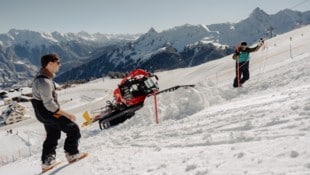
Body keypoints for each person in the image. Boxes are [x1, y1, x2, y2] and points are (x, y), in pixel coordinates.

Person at [31, 54, 85, 171]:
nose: (60, 65)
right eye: (58, 63)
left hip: (42, 113)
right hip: (48, 112)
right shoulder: (44, 82)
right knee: (73, 128)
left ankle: (47, 162)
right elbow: (50, 105)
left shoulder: (43, 77)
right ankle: (72, 154)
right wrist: (67, 114)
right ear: (50, 64)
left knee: (53, 134)